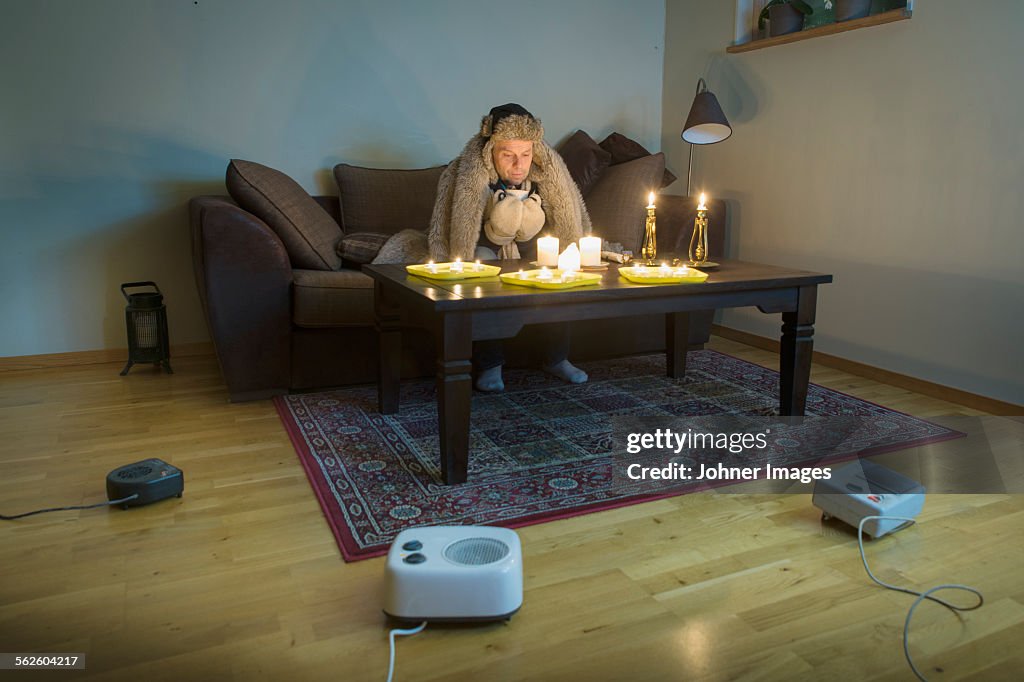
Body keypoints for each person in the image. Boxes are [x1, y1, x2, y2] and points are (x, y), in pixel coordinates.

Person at [427, 103, 591, 392]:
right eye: (509, 155)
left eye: (525, 154)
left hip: (532, 248)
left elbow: (566, 217)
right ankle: (491, 364)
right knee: (482, 270)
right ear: (491, 150)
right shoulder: (464, 173)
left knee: (558, 268)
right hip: (485, 249)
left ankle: (556, 357)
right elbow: (448, 227)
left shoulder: (545, 173)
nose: (519, 164)